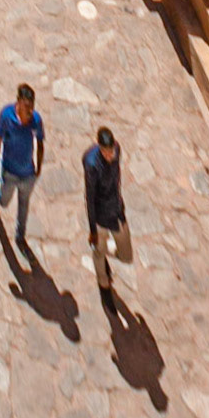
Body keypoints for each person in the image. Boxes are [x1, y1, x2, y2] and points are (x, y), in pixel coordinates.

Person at [0, 83, 45, 247]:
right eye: (26, 106)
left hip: (28, 174)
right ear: (18, 103)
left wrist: (38, 166)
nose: (30, 110)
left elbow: (40, 143)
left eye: (32, 106)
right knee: (4, 202)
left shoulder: (36, 121)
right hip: (10, 172)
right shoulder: (6, 116)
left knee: (24, 204)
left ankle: (20, 235)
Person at [84, 126, 131, 297]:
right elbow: (89, 198)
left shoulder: (117, 150)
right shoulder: (92, 165)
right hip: (100, 218)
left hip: (117, 211)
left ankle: (105, 250)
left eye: (111, 151)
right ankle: (103, 282)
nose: (110, 155)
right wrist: (92, 229)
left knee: (126, 256)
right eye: (106, 152)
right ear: (100, 149)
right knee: (98, 252)